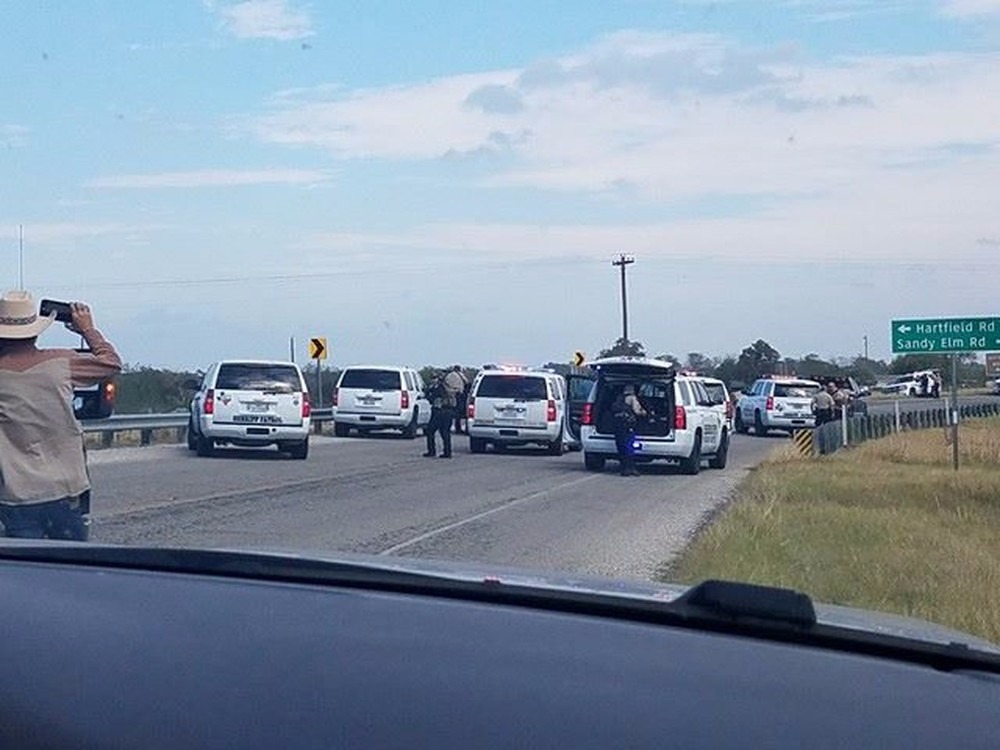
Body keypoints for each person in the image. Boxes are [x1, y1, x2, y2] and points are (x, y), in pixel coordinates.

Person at [0, 291, 122, 540]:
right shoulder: (62, 362)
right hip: (66, 488)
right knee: (71, 567)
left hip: (16, 494)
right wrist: (88, 330)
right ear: (35, 329)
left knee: (25, 572)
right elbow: (111, 363)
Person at [610, 384, 647, 477]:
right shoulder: (632, 398)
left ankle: (624, 468)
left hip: (618, 426)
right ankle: (631, 468)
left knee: (621, 447)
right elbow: (637, 411)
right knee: (630, 447)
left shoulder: (618, 398)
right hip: (628, 426)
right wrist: (645, 413)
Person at [423, 371, 455, 458]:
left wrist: (428, 393)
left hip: (439, 411)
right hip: (449, 411)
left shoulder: (437, 387)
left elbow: (432, 398)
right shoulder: (447, 387)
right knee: (445, 432)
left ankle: (432, 451)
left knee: (430, 431)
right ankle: (447, 452)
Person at [444, 365, 469, 434]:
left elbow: (445, 383)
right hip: (459, 395)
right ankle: (458, 428)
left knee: (450, 412)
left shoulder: (448, 376)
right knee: (459, 413)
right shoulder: (460, 375)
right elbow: (466, 382)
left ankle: (448, 428)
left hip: (449, 395)